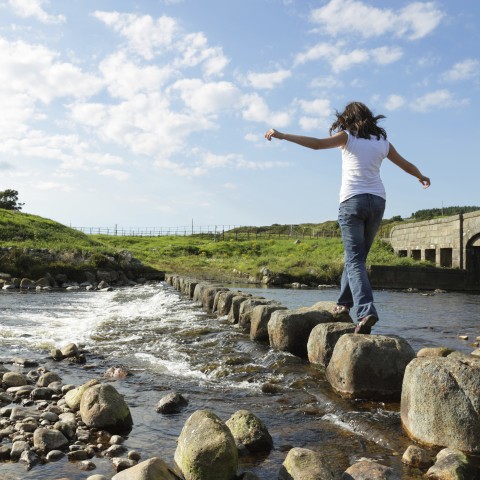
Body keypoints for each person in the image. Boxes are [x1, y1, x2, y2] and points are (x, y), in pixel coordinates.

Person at [265, 101, 430, 334]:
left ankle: (366, 311)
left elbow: (317, 145)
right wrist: (420, 176)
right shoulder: (382, 142)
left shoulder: (348, 137)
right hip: (377, 202)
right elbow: (405, 165)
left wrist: (282, 135)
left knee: (354, 260)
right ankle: (343, 305)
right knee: (356, 257)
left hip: (352, 201)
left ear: (348, 118)